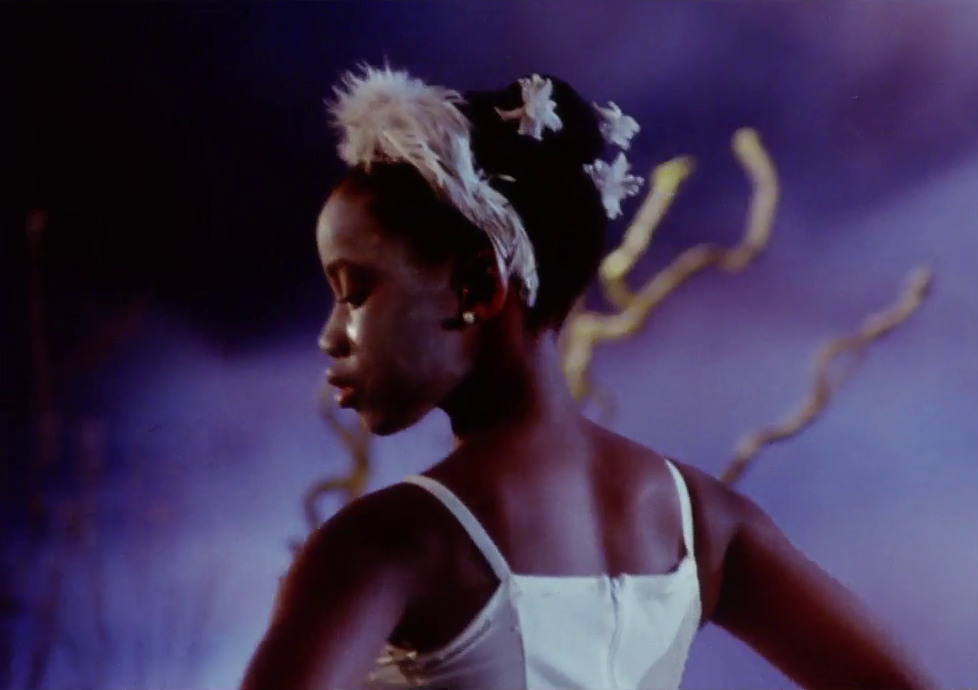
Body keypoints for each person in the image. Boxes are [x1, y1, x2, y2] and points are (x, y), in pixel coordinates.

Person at [240, 64, 931, 690]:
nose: (331, 335)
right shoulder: (705, 522)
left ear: (479, 286)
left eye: (356, 293)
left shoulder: (386, 544)